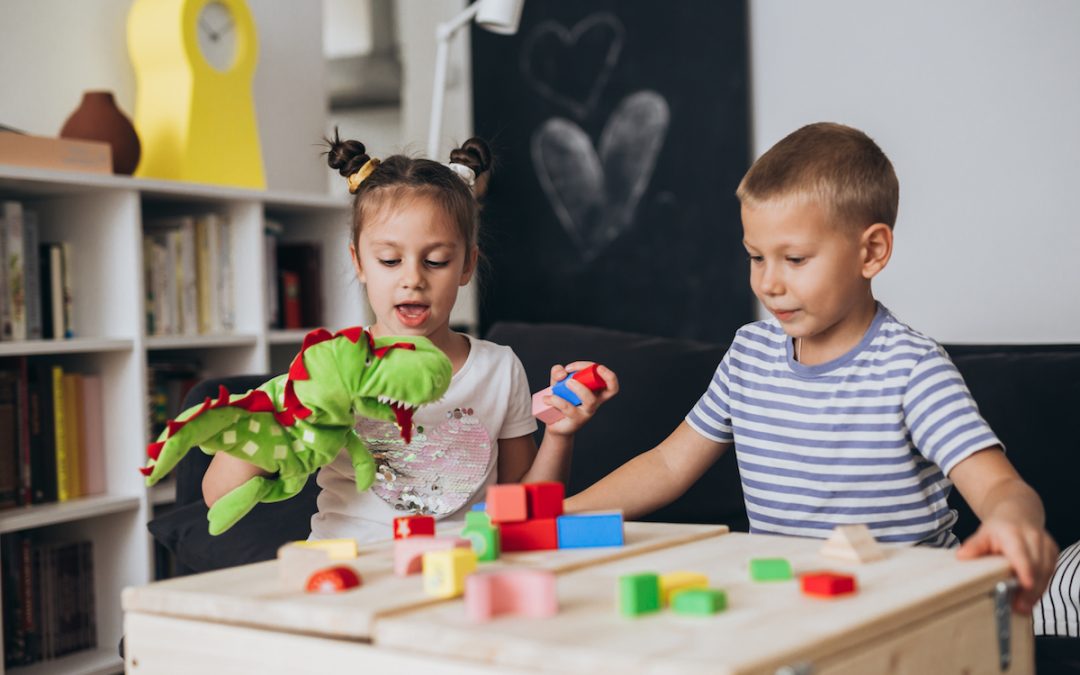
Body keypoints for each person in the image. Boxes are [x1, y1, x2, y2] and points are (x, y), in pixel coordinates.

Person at [566, 122, 1057, 613]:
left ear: (872, 252)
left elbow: (998, 485)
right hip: (786, 607)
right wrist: (561, 516)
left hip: (903, 611)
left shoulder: (911, 370)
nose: (769, 283)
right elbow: (668, 464)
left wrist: (1012, 521)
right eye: (756, 257)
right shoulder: (748, 355)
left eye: (795, 259)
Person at [203, 132, 618, 542]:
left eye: (436, 261)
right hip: (352, 569)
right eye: (390, 260)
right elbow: (217, 494)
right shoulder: (328, 365)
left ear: (467, 266)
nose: (413, 279)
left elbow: (525, 506)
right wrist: (287, 416)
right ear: (359, 263)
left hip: (461, 569)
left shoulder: (498, 368)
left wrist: (561, 435)